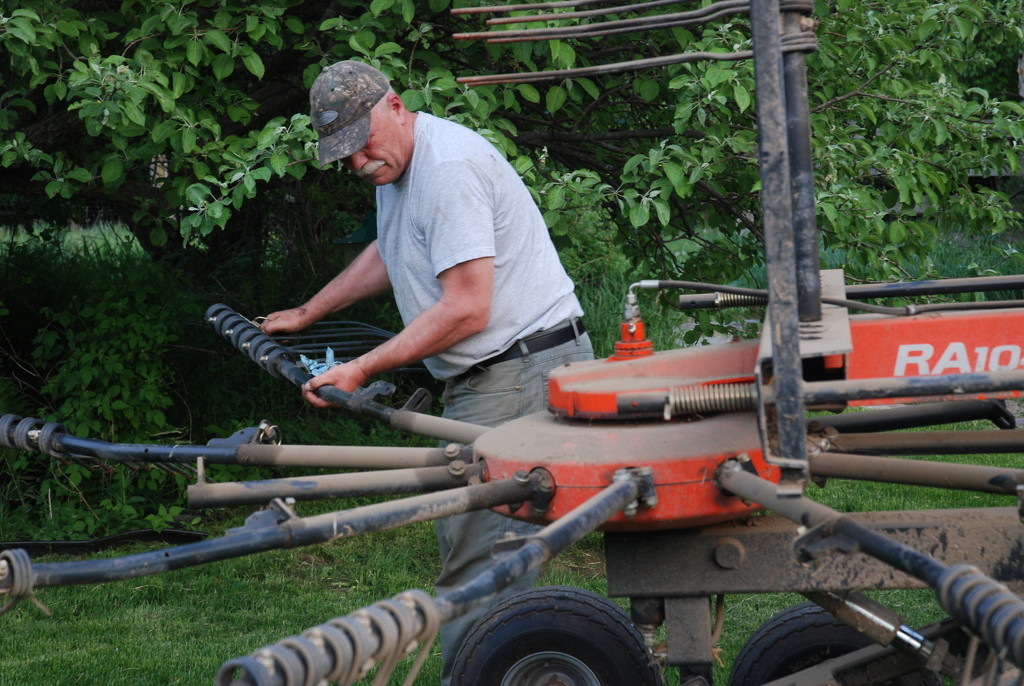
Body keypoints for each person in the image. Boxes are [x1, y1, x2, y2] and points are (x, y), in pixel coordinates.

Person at [259, 60, 595, 684]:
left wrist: (358, 369)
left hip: (520, 372)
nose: (358, 163)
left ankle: (482, 674)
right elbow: (390, 250)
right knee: (484, 550)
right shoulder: (401, 167)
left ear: (396, 104)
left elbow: (467, 308)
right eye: (345, 155)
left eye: (362, 145)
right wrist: (311, 311)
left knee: (478, 560)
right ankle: (518, 665)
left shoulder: (447, 169)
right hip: (494, 373)